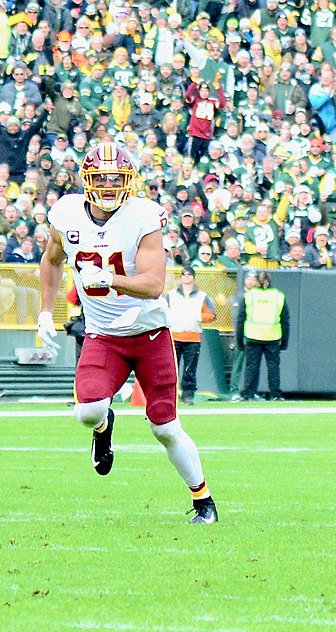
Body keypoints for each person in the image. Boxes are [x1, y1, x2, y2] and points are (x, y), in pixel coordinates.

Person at [36, 141, 217, 524]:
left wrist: (111, 278)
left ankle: (204, 501)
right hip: (103, 334)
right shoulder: (66, 213)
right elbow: (51, 260)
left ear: (129, 180)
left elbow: (153, 284)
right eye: (101, 177)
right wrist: (44, 312)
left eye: (115, 178)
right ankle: (105, 426)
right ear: (86, 178)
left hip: (149, 333)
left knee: (164, 426)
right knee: (87, 412)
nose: (107, 185)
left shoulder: (143, 216)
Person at [166, 266, 216, 405]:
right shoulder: (172, 294)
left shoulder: (202, 296)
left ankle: (188, 395)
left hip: (193, 337)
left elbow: (211, 315)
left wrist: (197, 317)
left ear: (193, 277)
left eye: (189, 274)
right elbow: (163, 311)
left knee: (190, 370)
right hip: (174, 335)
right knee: (171, 369)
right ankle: (170, 395)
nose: (186, 276)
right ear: (181, 277)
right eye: (184, 274)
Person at [235, 270, 288, 401]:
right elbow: (285, 320)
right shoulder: (278, 296)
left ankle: (248, 394)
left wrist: (239, 340)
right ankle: (275, 394)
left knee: (252, 366)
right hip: (273, 336)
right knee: (273, 367)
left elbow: (241, 318)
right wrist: (285, 341)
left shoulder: (249, 295)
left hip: (253, 336)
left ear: (257, 282)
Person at [227, 271, 257, 402]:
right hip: (243, 334)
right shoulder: (240, 296)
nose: (251, 282)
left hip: (255, 334)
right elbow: (235, 318)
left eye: (253, 279)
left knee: (252, 365)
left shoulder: (257, 296)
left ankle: (250, 391)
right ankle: (234, 391)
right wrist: (238, 334)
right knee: (238, 364)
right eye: (249, 279)